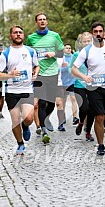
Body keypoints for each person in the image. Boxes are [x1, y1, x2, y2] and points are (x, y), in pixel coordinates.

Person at [71, 22, 105, 155]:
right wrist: (84, 77)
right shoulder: (87, 50)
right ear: (92, 33)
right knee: (99, 116)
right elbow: (74, 69)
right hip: (94, 88)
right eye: (95, 31)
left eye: (100, 31)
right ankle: (101, 145)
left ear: (103, 33)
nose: (98, 34)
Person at [0, 25, 39, 155]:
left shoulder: (30, 51)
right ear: (11, 36)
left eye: (20, 32)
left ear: (23, 35)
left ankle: (25, 126)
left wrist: (35, 73)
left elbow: (37, 66)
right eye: (15, 33)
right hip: (11, 92)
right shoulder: (5, 53)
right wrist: (10, 75)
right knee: (15, 120)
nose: (18, 35)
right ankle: (20, 144)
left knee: (28, 118)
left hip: (27, 89)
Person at [26, 12, 64, 144]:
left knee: (51, 103)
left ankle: (46, 119)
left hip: (52, 73)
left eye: (44, 19)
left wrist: (54, 53)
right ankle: (43, 129)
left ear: (47, 22)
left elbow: (62, 52)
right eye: (39, 20)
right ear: (36, 22)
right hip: (39, 74)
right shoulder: (31, 38)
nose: (42, 21)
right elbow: (28, 55)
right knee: (41, 103)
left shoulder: (55, 36)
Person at [70, 32, 95, 141]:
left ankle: (88, 131)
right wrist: (82, 76)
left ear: (92, 41)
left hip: (93, 85)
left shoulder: (95, 54)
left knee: (92, 110)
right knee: (84, 108)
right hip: (79, 85)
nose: (86, 43)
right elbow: (71, 70)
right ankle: (80, 122)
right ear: (81, 43)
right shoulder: (76, 55)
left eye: (88, 41)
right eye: (84, 41)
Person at [56, 43, 79, 131]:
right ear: (63, 50)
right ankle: (63, 116)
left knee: (73, 99)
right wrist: (65, 68)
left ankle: (75, 117)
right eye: (67, 48)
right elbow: (59, 69)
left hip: (72, 82)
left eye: (69, 48)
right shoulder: (61, 58)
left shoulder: (74, 57)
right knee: (63, 101)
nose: (68, 49)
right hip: (63, 82)